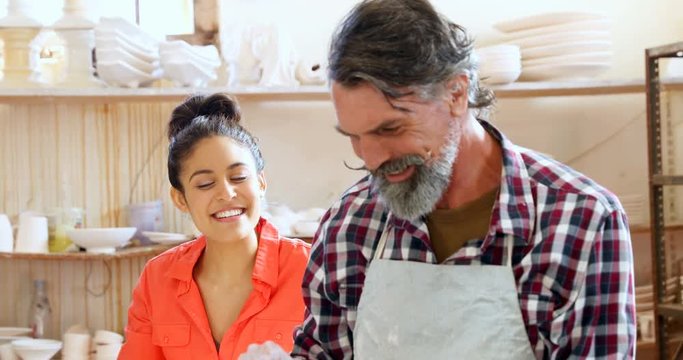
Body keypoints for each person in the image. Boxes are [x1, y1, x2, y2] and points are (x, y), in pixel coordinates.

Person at [240, 0, 636, 359]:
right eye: (355, 137)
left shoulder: (582, 222)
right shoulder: (349, 226)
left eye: (390, 129)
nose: (372, 158)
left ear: (457, 93)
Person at [119, 93, 311, 360]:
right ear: (181, 198)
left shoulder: (310, 271)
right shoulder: (157, 278)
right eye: (205, 184)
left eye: (239, 177)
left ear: (261, 182)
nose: (226, 193)